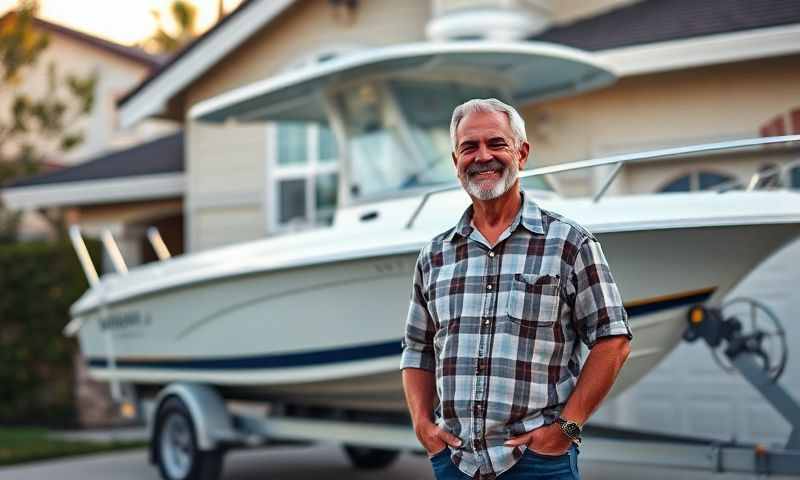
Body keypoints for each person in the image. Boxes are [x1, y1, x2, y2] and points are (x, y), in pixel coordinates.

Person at [400, 98, 633, 480]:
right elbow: (417, 348)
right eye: (469, 147)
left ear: (521, 153)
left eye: (496, 144)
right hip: (457, 465)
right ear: (455, 160)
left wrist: (566, 430)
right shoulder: (435, 255)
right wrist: (423, 426)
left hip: (539, 464)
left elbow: (614, 340)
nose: (483, 156)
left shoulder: (569, 243)